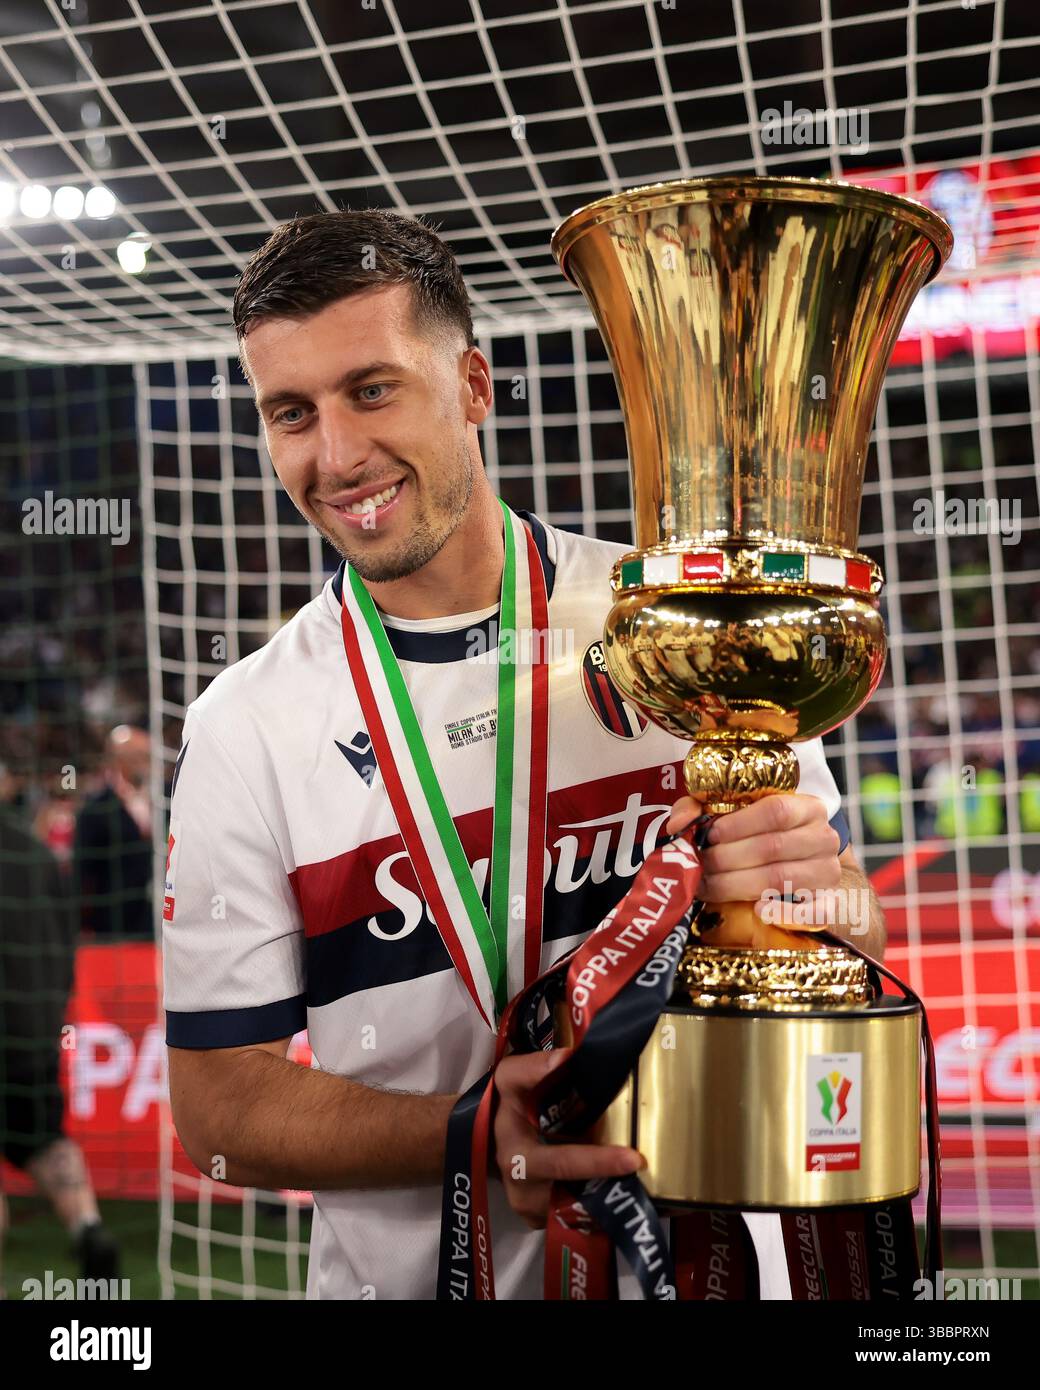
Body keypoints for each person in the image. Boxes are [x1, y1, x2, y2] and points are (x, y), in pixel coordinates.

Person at [163, 209, 885, 1300]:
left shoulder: (681, 617)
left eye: (371, 389)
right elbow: (220, 1115)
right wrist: (468, 1134)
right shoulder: (244, 726)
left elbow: (849, 928)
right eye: (289, 412)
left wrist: (821, 902)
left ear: (471, 387)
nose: (336, 456)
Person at [0, 802, 119, 1296]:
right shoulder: (37, 854)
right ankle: (88, 1227)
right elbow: (68, 938)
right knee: (46, 1139)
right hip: (35, 1028)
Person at [72, 725, 153, 939]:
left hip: (157, 925)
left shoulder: (166, 799)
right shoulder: (95, 810)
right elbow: (82, 874)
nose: (148, 764)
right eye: (141, 756)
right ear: (119, 759)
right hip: (112, 928)